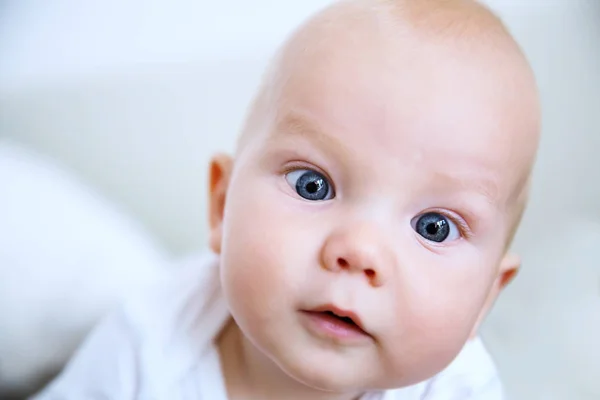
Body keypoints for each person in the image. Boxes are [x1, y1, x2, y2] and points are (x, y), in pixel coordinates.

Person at [32, 0, 540, 399]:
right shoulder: (147, 342)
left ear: (485, 299)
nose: (358, 250)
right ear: (223, 205)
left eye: (434, 226)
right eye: (312, 185)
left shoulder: (457, 388)